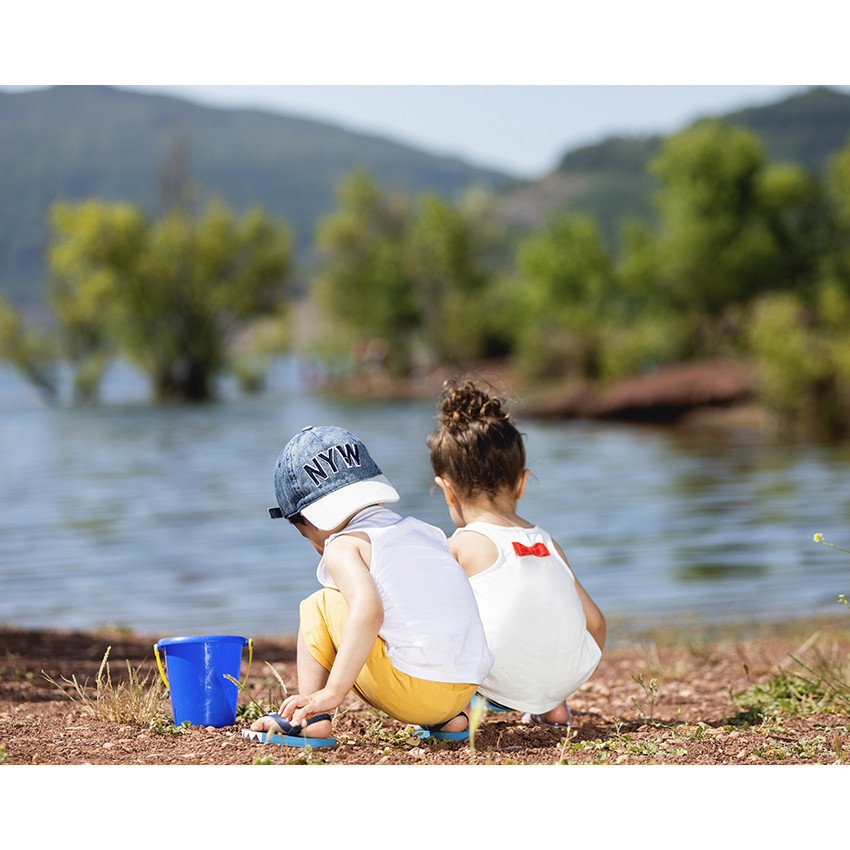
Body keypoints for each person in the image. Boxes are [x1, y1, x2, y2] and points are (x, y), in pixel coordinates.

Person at [246, 424, 494, 747]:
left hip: (414, 692)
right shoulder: (426, 532)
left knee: (318, 606)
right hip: (464, 690)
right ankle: (449, 720)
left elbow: (368, 611)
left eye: (305, 536)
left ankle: (310, 721)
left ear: (306, 520)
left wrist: (331, 693)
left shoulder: (342, 546)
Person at [426, 379, 605, 728]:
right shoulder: (547, 542)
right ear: (522, 483)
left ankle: (456, 708)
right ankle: (550, 704)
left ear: (447, 491)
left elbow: (435, 622)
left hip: (496, 680)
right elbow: (595, 623)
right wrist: (558, 680)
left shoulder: (462, 543)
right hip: (562, 679)